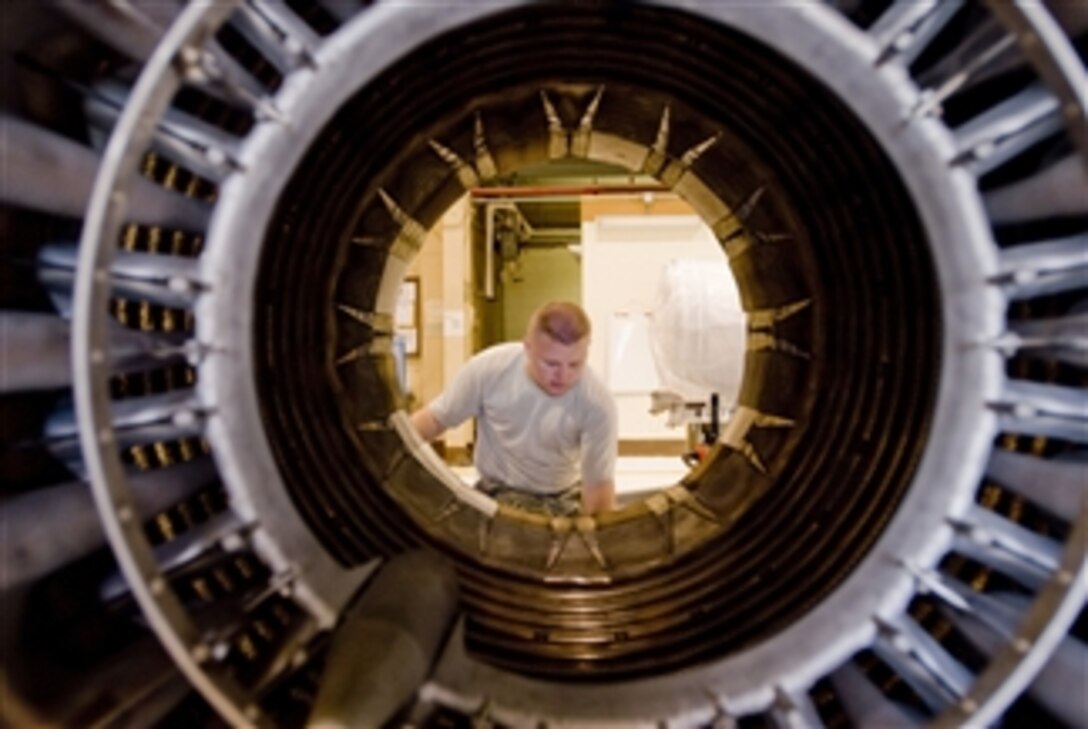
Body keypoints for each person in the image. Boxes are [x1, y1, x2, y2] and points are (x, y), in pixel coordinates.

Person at [411, 301, 618, 516]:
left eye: (575, 364)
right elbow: (434, 420)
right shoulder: (489, 369)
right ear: (528, 347)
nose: (563, 376)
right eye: (551, 364)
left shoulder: (597, 402)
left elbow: (598, 485)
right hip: (497, 493)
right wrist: (391, 447)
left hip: (562, 497)